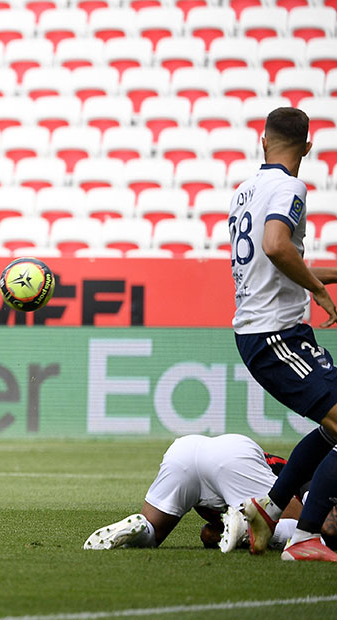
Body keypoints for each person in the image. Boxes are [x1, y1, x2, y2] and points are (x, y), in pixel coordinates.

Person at [230, 106, 337, 561]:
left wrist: (323, 278)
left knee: (333, 430)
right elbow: (276, 247)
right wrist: (320, 292)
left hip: (269, 331)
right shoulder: (291, 187)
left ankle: (269, 509)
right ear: (308, 147)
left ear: (263, 141)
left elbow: (276, 256)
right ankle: (305, 538)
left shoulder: (246, 190)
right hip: (277, 335)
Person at [83, 434, 298, 551]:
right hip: (233, 457)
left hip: (183, 450)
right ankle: (245, 529)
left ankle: (141, 528)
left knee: (153, 533)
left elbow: (208, 535)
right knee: (307, 528)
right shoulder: (290, 471)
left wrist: (215, 533)